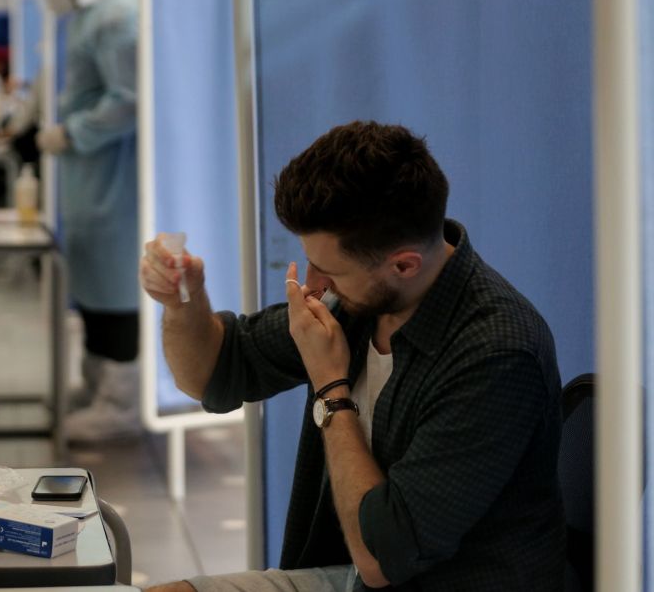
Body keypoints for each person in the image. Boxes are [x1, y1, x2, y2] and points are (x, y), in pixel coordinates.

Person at [140, 121, 565, 591]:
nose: (314, 284)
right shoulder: (363, 299)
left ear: (403, 264)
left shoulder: (496, 354)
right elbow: (210, 372)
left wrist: (331, 389)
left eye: (330, 271)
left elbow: (382, 561)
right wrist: (182, 301)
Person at [29, 0, 142, 442]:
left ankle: (121, 401)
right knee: (95, 278)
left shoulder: (120, 11)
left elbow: (129, 101)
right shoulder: (93, 10)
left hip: (115, 172)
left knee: (115, 283)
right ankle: (99, 385)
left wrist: (72, 132)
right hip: (90, 173)